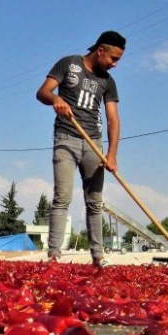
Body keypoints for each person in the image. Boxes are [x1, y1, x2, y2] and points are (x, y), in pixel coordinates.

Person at [36, 30, 126, 268]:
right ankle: (54, 255)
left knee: (95, 202)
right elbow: (42, 92)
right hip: (65, 138)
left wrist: (112, 155)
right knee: (62, 198)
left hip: (93, 144)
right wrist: (56, 100)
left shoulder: (108, 82)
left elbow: (113, 120)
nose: (115, 64)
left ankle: (98, 256)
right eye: (113, 58)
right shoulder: (69, 64)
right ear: (100, 51)